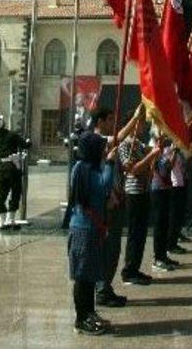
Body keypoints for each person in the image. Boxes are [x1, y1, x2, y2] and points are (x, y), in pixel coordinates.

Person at [89, 105, 141, 308]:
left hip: (117, 199)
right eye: (110, 120)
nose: (113, 123)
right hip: (105, 204)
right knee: (107, 249)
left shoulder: (108, 144)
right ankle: (101, 289)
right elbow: (117, 138)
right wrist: (135, 118)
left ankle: (106, 287)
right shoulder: (95, 141)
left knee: (113, 250)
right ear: (100, 122)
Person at [67, 131, 116, 335]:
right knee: (82, 276)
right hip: (83, 229)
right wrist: (111, 164)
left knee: (89, 275)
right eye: (101, 148)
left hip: (91, 228)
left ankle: (89, 312)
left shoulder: (85, 167)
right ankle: (81, 318)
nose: (104, 151)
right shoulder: (84, 169)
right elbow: (104, 186)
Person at [119, 110, 162, 285]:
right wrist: (151, 155)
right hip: (133, 193)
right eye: (141, 123)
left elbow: (148, 166)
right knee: (135, 233)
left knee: (141, 233)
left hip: (143, 191)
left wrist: (155, 151)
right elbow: (134, 169)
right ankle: (129, 271)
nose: (143, 126)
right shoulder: (125, 145)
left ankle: (135, 268)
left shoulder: (139, 144)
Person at [0, 114, 30, 231]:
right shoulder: (12, 135)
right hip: (13, 167)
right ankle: (10, 218)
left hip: (2, 168)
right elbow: (25, 145)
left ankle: (1, 220)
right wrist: (28, 141)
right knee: (15, 192)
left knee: (2, 193)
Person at [149, 134, 178, 272]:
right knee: (159, 226)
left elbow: (169, 167)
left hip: (166, 189)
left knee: (165, 224)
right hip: (157, 190)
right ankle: (157, 259)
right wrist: (155, 151)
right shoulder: (153, 152)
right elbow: (152, 167)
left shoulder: (162, 155)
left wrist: (175, 152)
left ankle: (163, 255)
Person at [168, 147, 189, 253]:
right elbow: (169, 166)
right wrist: (174, 152)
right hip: (173, 185)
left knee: (179, 216)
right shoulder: (169, 150)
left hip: (180, 183)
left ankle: (174, 242)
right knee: (173, 217)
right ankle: (170, 245)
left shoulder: (179, 152)